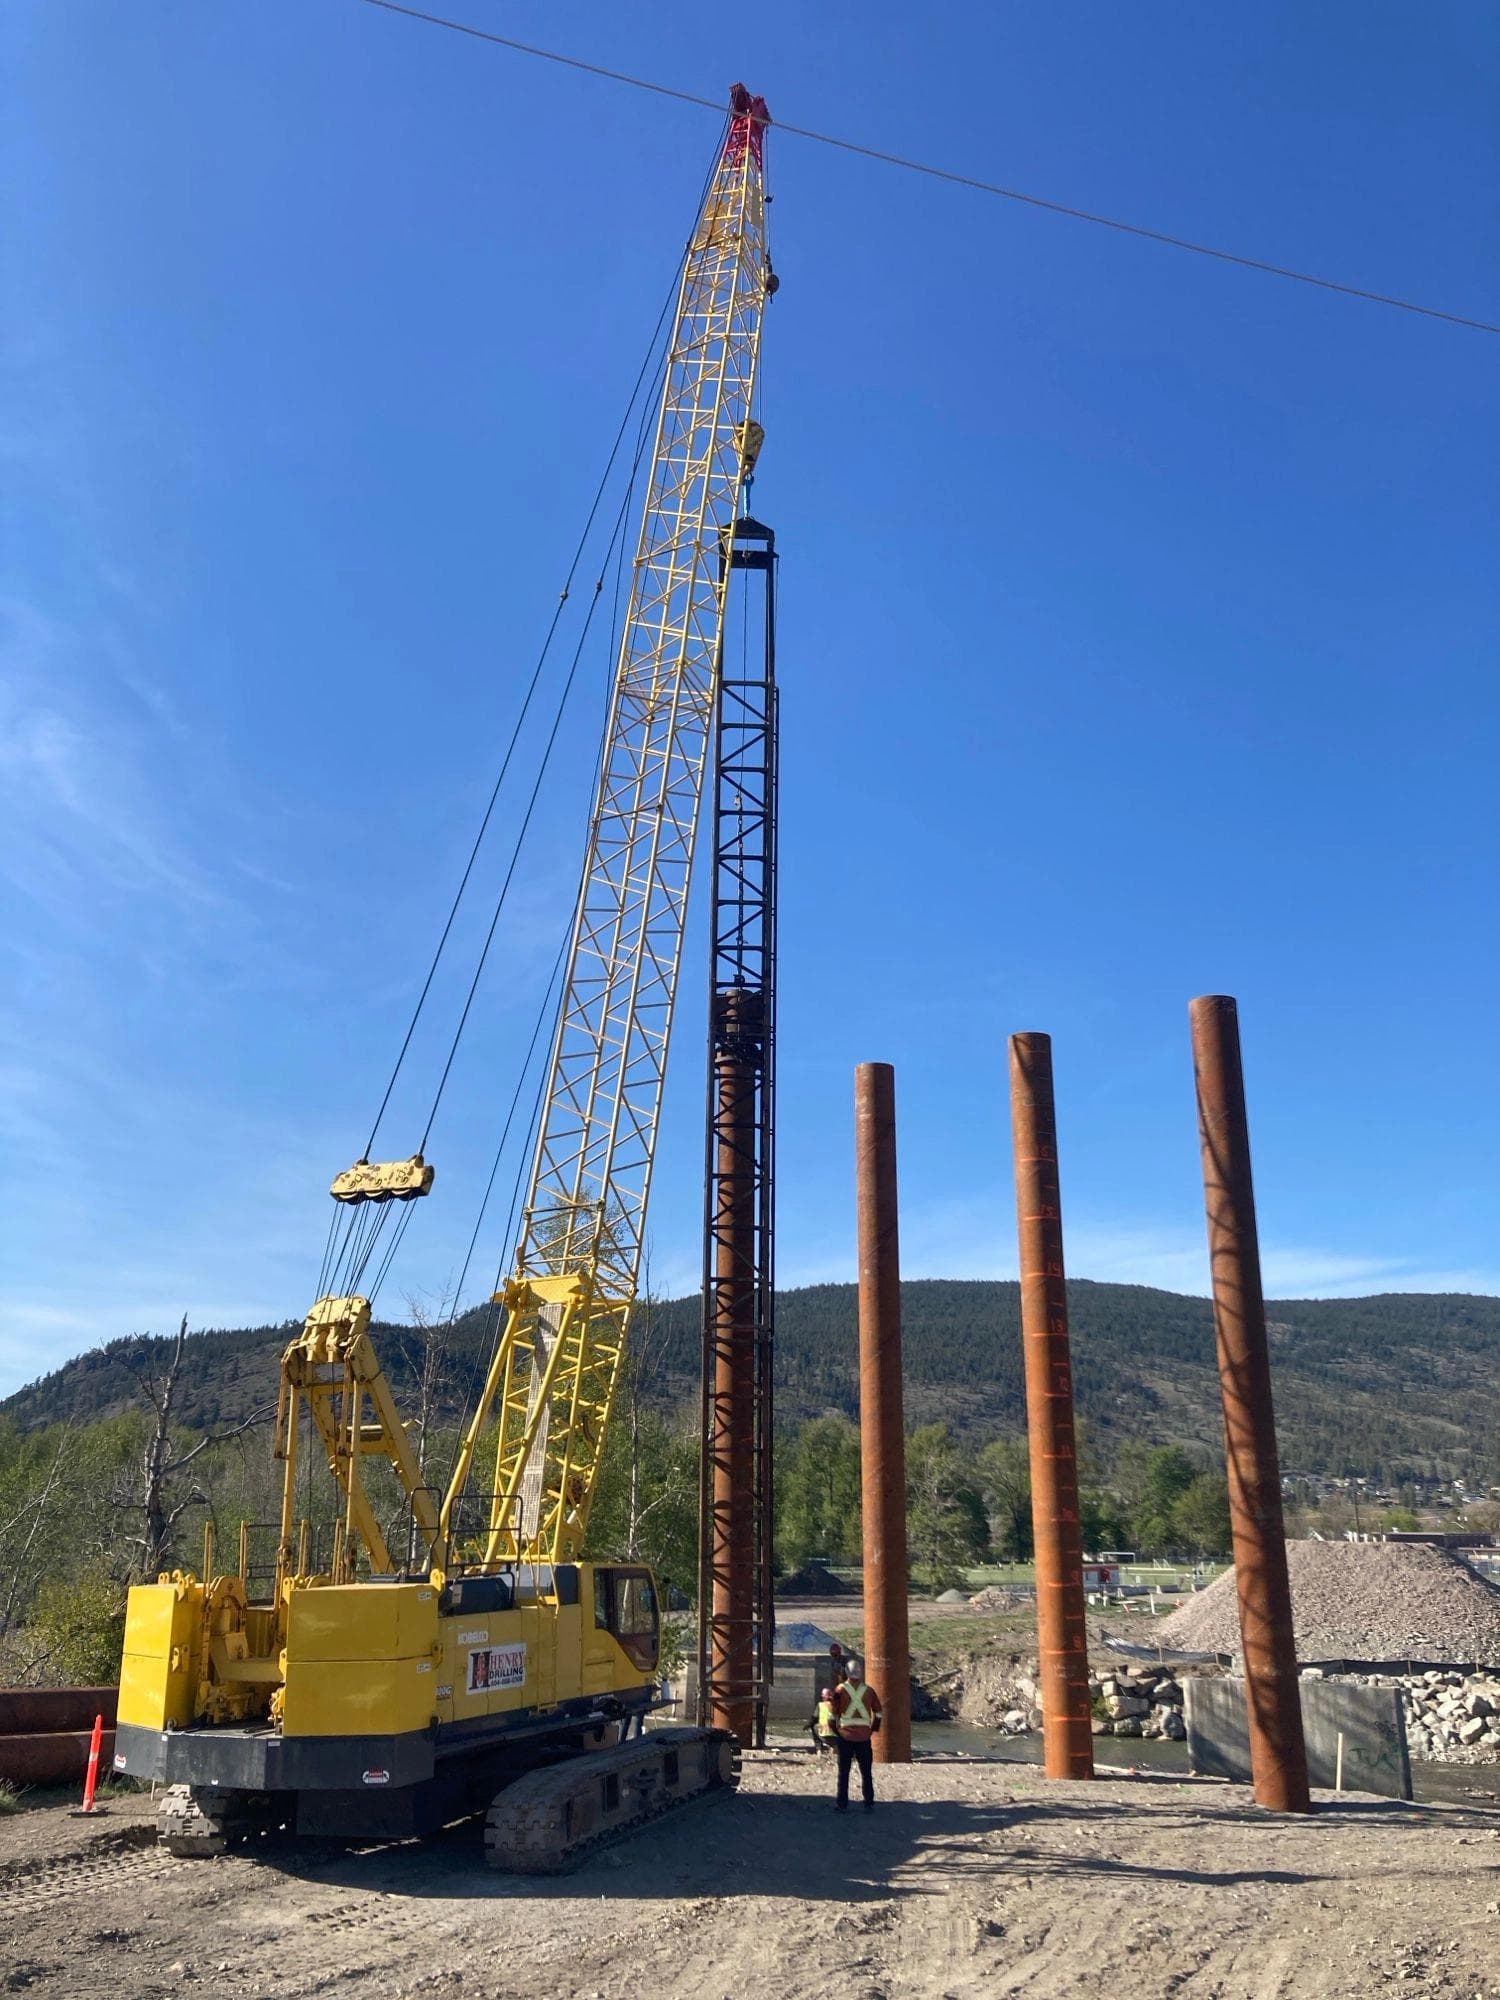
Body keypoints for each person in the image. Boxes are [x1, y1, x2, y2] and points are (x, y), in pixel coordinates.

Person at [831, 1653, 882, 1811]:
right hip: (864, 1738)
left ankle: (842, 1805)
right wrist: (873, 1729)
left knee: (843, 1773)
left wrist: (836, 1731)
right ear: (860, 1672)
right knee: (866, 1772)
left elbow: (833, 1714)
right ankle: (869, 1803)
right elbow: (879, 1713)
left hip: (845, 1736)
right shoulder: (869, 1691)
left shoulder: (840, 1690)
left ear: (846, 1672)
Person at [808, 1686, 838, 1757]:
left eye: (823, 1694)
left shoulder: (820, 1705)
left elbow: (814, 1718)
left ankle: (819, 1750)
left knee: (813, 1726)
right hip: (837, 1737)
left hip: (824, 1735)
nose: (822, 1696)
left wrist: (808, 1725)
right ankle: (834, 1747)